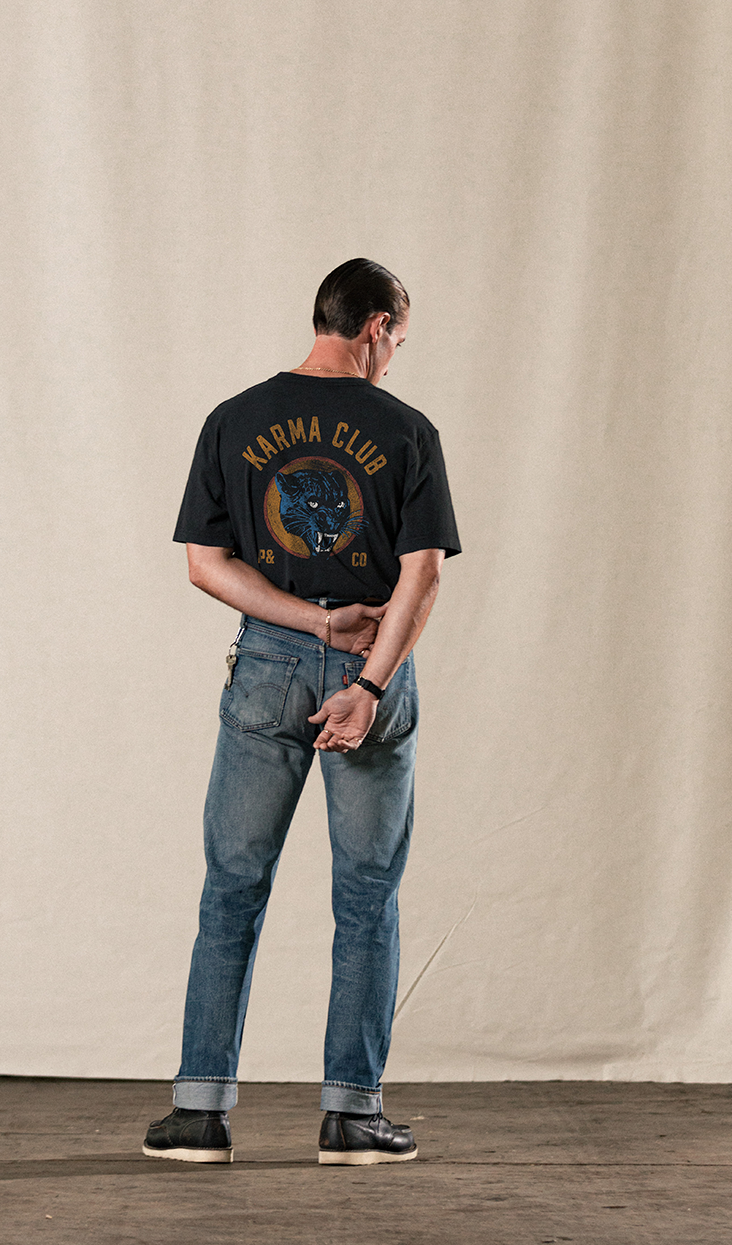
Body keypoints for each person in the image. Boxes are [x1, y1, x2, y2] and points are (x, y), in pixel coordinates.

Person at [143, 258, 460, 1166]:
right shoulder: (407, 430)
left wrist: (308, 622)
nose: (394, 358)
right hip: (371, 665)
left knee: (232, 885)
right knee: (366, 894)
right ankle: (352, 1118)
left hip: (268, 668)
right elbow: (421, 575)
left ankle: (199, 1114)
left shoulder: (234, 419)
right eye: (398, 340)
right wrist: (367, 683)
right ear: (376, 326)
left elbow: (206, 565)